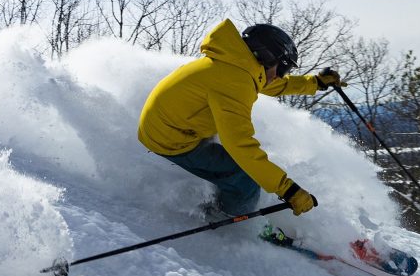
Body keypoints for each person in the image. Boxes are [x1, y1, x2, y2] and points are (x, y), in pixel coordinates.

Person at [138, 18, 343, 218]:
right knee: (245, 179)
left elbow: (274, 85)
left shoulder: (234, 64)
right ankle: (229, 219)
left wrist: (315, 83)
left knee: (244, 163)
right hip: (171, 139)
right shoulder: (234, 82)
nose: (281, 75)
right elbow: (239, 144)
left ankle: (223, 203)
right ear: (266, 57)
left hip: (168, 127)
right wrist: (287, 189)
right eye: (283, 68)